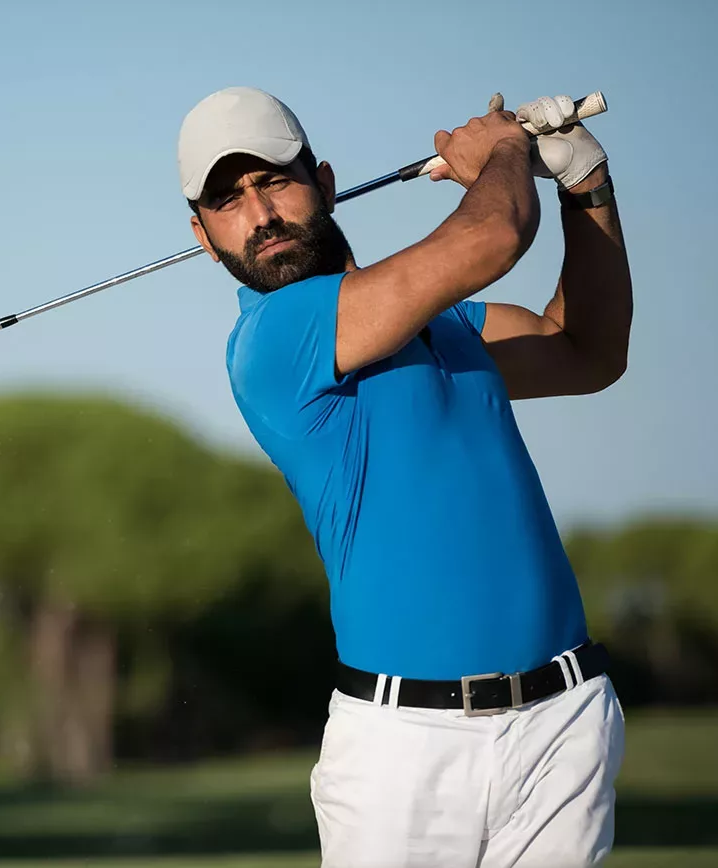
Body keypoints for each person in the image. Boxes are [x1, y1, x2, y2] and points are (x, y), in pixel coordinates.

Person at [176, 86, 633, 867]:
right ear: (202, 233)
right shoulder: (274, 338)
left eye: (274, 182)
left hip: (564, 722)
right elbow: (491, 236)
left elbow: (586, 349)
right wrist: (504, 152)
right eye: (227, 200)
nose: (259, 216)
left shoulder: (443, 323)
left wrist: (586, 184)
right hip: (403, 753)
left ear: (322, 180)